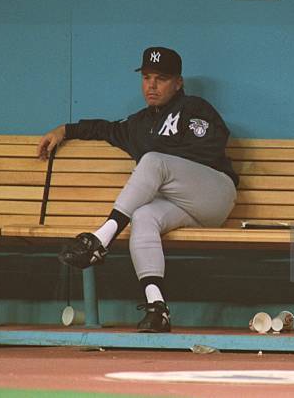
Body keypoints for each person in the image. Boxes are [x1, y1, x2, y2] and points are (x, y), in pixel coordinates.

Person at [37, 47, 238, 332]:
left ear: (178, 82)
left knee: (152, 160)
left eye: (161, 78)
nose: (152, 85)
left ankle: (101, 238)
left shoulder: (195, 108)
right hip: (179, 207)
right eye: (146, 78)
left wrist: (156, 158)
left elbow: (209, 149)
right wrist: (64, 130)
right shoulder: (139, 124)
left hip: (214, 194)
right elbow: (104, 129)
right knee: (143, 216)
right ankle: (158, 307)